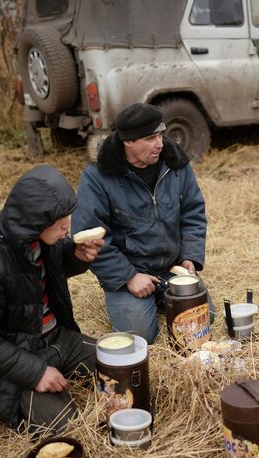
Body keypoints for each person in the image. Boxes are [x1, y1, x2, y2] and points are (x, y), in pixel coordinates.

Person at [0, 166, 104, 436]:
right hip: (10, 366)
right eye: (59, 220)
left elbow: (40, 275)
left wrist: (77, 257)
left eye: (67, 215)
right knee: (70, 431)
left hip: (55, 339)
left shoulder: (40, 234)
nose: (67, 226)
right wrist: (35, 373)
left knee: (123, 364)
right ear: (35, 220)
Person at [72, 102, 209, 343]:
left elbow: (193, 213)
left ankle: (161, 299)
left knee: (204, 321)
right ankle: (133, 303)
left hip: (171, 269)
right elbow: (89, 236)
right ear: (128, 141)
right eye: (149, 138)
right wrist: (128, 277)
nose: (160, 144)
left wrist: (189, 256)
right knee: (141, 337)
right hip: (130, 273)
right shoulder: (97, 177)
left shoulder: (176, 164)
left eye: (160, 135)